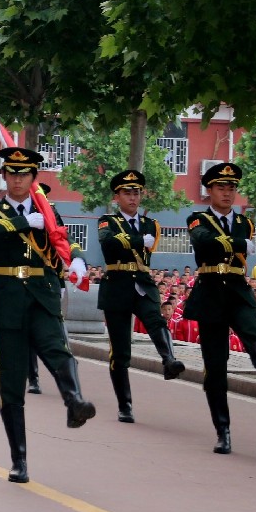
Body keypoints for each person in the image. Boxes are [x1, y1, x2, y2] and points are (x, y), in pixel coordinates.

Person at [0, 146, 95, 484]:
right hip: (7, 298)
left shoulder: (48, 208)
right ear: (5, 177)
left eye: (24, 174)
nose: (17, 179)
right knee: (12, 384)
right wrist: (23, 221)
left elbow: (64, 239)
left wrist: (77, 259)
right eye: (12, 173)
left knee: (58, 349)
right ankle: (20, 460)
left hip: (42, 295)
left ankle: (75, 401)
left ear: (33, 178)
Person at [183, 162, 256, 455]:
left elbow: (225, 246)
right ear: (209, 190)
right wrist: (238, 244)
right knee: (216, 367)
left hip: (237, 289)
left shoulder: (244, 222)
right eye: (221, 187)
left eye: (231, 188)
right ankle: (222, 430)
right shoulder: (197, 219)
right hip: (211, 290)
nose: (227, 193)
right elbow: (205, 243)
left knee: (253, 331)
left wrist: (233, 242)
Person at [96, 170, 184, 424]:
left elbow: (146, 244)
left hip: (143, 283)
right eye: (127, 193)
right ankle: (125, 405)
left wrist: (133, 239)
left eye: (136, 193)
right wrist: (135, 240)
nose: (133, 198)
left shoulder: (150, 224)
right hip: (116, 285)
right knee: (121, 350)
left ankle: (169, 360)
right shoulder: (107, 221)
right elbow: (108, 243)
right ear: (117, 196)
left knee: (155, 319)